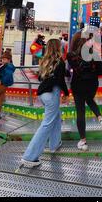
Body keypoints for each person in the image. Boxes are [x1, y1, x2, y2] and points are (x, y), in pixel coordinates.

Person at [22, 39, 70, 168]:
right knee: (46, 124)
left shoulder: (44, 61)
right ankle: (30, 157)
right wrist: (66, 93)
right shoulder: (59, 62)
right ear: (58, 47)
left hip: (42, 94)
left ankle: (54, 145)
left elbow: (39, 78)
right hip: (51, 94)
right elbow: (60, 80)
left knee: (56, 117)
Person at [67, 32, 102, 152]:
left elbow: (72, 68)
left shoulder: (71, 55)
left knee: (80, 112)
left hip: (78, 84)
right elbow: (101, 69)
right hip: (92, 84)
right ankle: (100, 118)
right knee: (89, 99)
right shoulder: (93, 53)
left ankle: (83, 141)